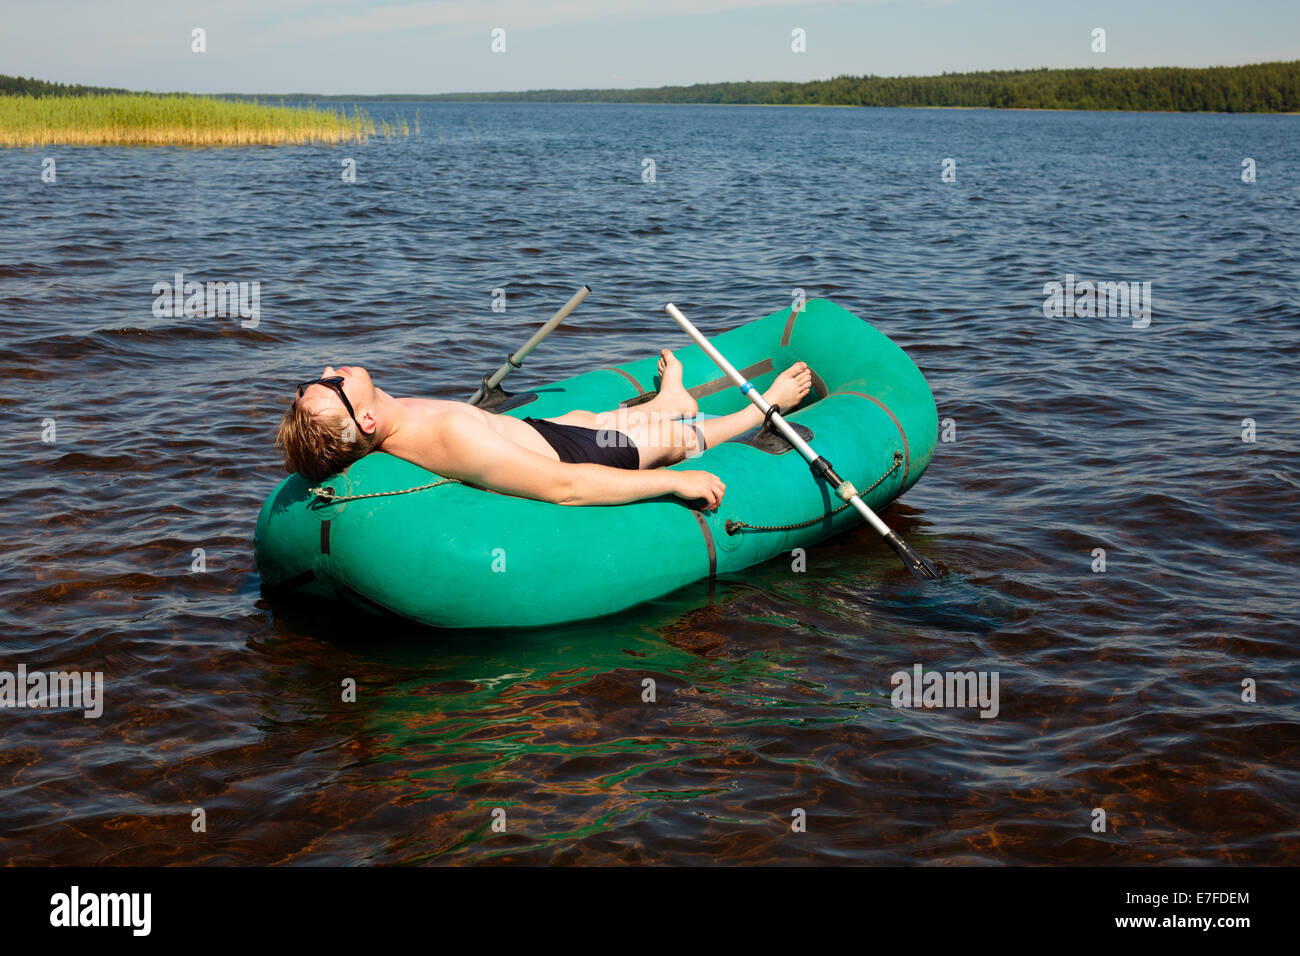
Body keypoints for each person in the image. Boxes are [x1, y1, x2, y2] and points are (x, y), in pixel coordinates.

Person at [276, 349, 812, 510]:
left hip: (544, 431)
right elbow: (565, 487)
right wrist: (675, 482)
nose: (329, 370)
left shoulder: (385, 414)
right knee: (671, 443)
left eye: (315, 379)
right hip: (575, 459)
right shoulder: (446, 440)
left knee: (594, 418)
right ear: (364, 420)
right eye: (331, 384)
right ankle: (763, 408)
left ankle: (672, 399)